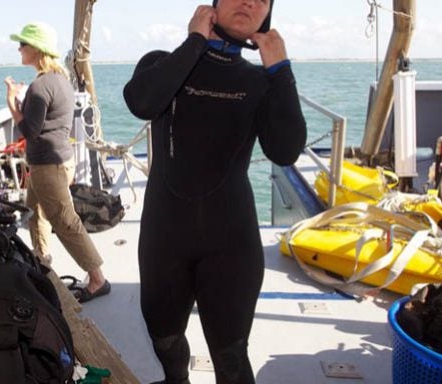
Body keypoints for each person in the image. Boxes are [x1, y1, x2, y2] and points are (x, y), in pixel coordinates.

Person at [123, 0, 306, 383]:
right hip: (164, 238)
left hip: (231, 244)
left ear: (267, 14)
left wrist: (281, 70)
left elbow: (285, 150)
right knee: (165, 339)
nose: (250, 1)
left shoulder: (260, 82)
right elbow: (141, 102)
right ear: (211, 7)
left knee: (232, 357)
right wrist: (195, 41)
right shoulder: (162, 62)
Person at [4, 22, 110, 303]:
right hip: (58, 159)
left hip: (46, 165)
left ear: (36, 50)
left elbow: (30, 131)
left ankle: (98, 279)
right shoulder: (60, 79)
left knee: (65, 221)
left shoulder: (40, 86)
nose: (19, 48)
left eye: (23, 44)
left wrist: (13, 105)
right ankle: (42, 261)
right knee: (35, 211)